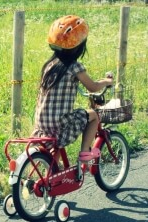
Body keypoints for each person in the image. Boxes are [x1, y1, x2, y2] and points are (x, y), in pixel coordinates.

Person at [31, 15, 113, 179]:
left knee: (55, 147)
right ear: (79, 47)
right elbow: (92, 87)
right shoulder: (74, 67)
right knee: (94, 116)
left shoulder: (49, 65)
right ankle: (84, 154)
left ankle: (49, 178)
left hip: (41, 122)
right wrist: (107, 81)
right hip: (60, 122)